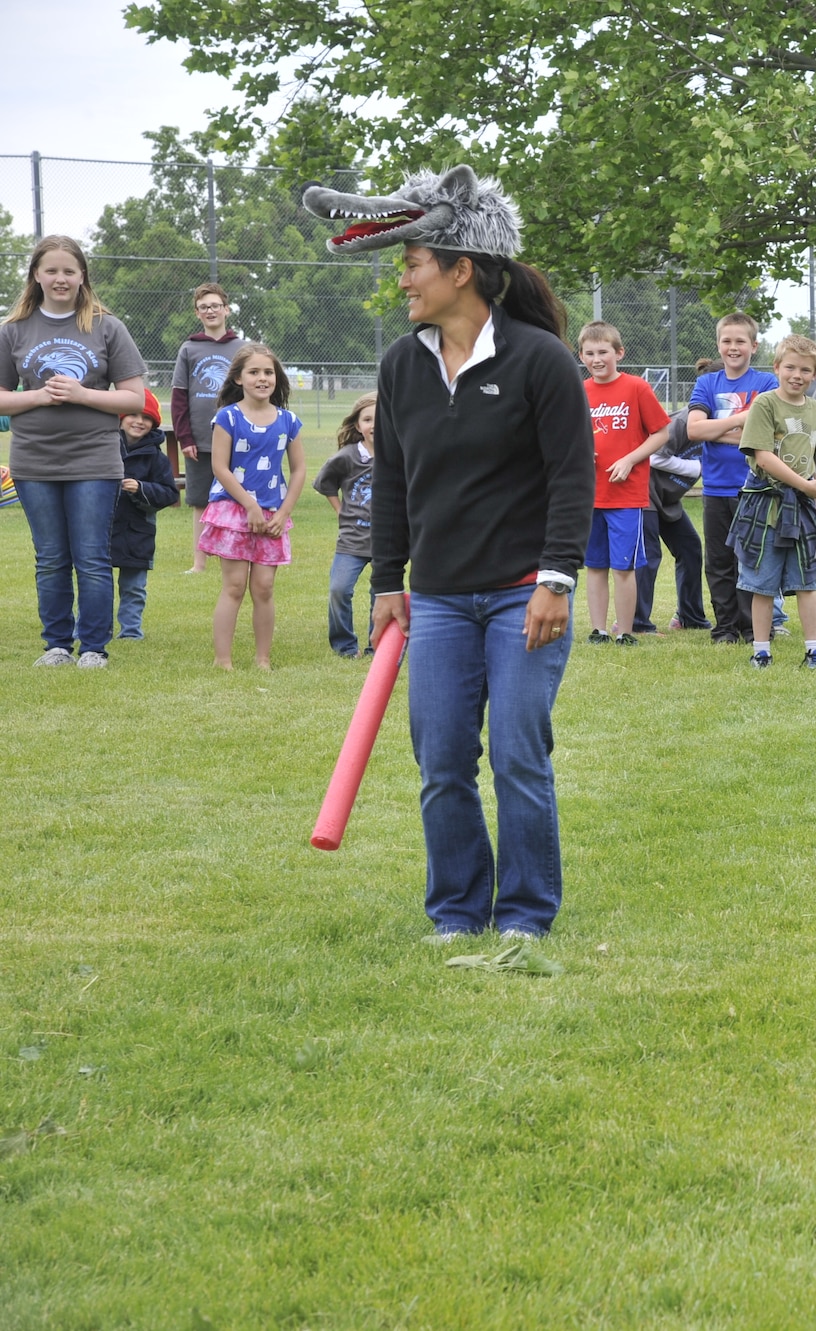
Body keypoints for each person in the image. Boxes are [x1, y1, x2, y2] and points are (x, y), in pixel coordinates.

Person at [304, 165, 595, 942]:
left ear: (461, 270)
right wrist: (391, 585)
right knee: (441, 761)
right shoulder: (402, 364)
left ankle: (526, 915)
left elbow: (573, 479)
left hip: (520, 594)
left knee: (517, 757)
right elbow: (391, 481)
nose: (403, 279)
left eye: (412, 264)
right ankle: (459, 911)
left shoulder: (541, 360)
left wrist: (555, 581)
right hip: (433, 601)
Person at [0, 235, 147, 667]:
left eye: (69, 270)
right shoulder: (13, 329)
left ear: (83, 276)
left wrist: (82, 393)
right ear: (36, 276)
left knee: (92, 557)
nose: (60, 278)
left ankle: (95, 648)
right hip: (33, 461)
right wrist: (39, 397)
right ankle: (58, 645)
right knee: (50, 559)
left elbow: (134, 400)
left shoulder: (107, 326)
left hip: (94, 461)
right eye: (52, 270)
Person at [201, 344, 307, 671]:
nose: (262, 378)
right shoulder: (227, 417)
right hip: (234, 512)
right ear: (238, 378)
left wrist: (284, 512)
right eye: (254, 372)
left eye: (268, 372)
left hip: (273, 515)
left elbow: (299, 469)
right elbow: (220, 467)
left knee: (264, 588)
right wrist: (249, 505)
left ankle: (263, 659)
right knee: (234, 587)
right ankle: (224, 660)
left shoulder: (288, 420)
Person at [732, 333, 816, 669]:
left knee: (807, 580)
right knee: (762, 582)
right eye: (790, 367)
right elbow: (763, 457)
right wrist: (806, 486)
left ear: (814, 374)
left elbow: (812, 461)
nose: (796, 375)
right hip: (766, 504)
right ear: (777, 367)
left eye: (805, 370)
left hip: (801, 505)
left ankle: (814, 650)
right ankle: (761, 649)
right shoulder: (765, 404)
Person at [687, 313, 779, 644]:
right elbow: (694, 429)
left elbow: (765, 435)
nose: (733, 347)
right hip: (715, 488)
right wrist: (741, 421)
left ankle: (754, 627)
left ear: (754, 346)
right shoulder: (706, 383)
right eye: (727, 341)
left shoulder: (767, 384)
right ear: (718, 345)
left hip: (754, 488)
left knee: (752, 560)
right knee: (719, 562)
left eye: (740, 341)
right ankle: (725, 628)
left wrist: (717, 429)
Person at [577, 320, 670, 645]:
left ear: (619, 353)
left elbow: (662, 432)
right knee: (595, 565)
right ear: (582, 356)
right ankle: (599, 630)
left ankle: (626, 631)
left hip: (626, 497)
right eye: (589, 353)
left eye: (603, 351)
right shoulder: (579, 391)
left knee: (624, 568)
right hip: (590, 496)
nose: (597, 358)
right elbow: (570, 435)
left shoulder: (636, 388)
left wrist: (631, 459)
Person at [634, 357, 712, 634]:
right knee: (649, 556)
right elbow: (654, 456)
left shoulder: (724, 424)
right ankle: (636, 622)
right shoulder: (683, 421)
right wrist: (698, 468)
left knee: (690, 548)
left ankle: (689, 617)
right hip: (646, 494)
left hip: (668, 499)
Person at [171, 282, 241, 574]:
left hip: (237, 440)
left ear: (226, 309)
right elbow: (178, 396)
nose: (210, 311)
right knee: (201, 501)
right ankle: (199, 564)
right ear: (197, 313)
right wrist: (185, 437)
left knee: (238, 498)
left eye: (215, 306)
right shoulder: (189, 348)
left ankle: (237, 556)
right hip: (199, 441)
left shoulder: (243, 348)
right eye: (204, 307)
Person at [108, 389, 177, 641]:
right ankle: (92, 628)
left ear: (154, 423)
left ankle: (130, 632)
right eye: (133, 415)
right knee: (96, 584)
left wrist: (142, 488)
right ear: (121, 418)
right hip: (102, 527)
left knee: (134, 588)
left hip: (138, 531)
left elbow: (169, 493)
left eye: (146, 418)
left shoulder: (156, 458)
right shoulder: (104, 447)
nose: (139, 421)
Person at [313, 393, 378, 657]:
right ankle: (345, 646)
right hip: (352, 538)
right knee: (339, 590)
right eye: (368, 419)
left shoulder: (400, 455)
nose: (375, 424)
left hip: (388, 540)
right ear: (357, 425)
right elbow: (325, 483)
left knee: (382, 593)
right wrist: (340, 510)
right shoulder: (347, 457)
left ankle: (379, 647)